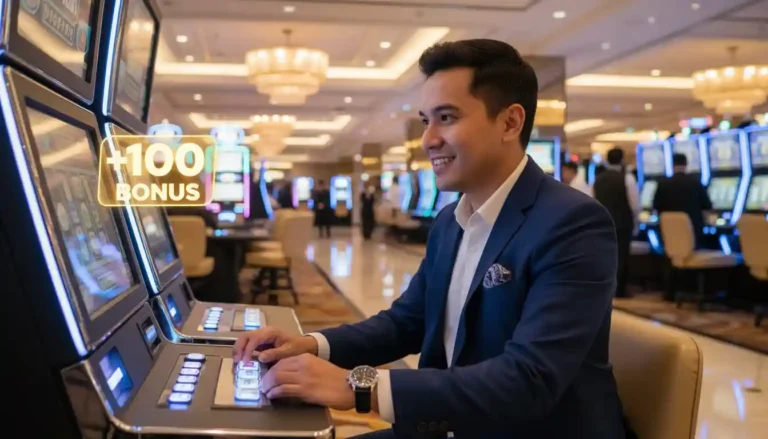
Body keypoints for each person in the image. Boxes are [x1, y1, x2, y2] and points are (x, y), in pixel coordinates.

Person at [233, 39, 628, 439]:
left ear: (510, 122)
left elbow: (529, 380)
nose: (427, 140)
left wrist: (358, 387)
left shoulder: (572, 222)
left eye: (447, 117)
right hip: (452, 424)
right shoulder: (449, 221)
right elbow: (407, 322)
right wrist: (311, 345)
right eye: (426, 120)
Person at [592, 147, 640, 298]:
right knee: (622, 257)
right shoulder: (627, 178)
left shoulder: (598, 179)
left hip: (601, 224)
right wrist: (636, 224)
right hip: (622, 223)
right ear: (622, 160)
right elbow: (635, 205)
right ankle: (620, 290)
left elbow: (593, 202)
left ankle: (606, 289)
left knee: (606, 256)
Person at [653, 153, 712, 248]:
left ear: (672, 165)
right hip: (693, 234)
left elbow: (656, 207)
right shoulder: (695, 183)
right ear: (686, 164)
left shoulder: (662, 184)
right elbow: (707, 206)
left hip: (669, 234)